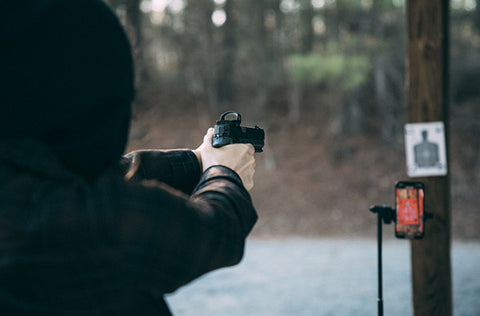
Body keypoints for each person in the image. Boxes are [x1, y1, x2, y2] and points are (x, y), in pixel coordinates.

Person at [0, 0, 257, 314]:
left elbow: (95, 176)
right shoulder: (81, 220)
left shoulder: (23, 183)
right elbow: (214, 232)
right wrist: (224, 173)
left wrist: (197, 160)